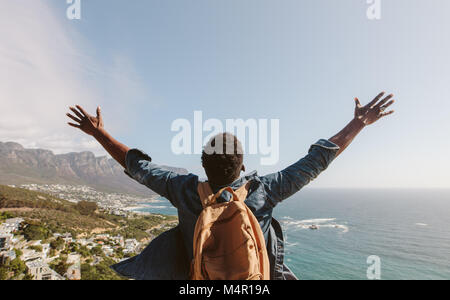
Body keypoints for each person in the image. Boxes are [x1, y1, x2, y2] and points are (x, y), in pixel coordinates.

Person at [66, 92, 395, 280]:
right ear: (243, 165)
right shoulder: (265, 190)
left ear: (203, 165)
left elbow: (139, 167)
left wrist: (100, 134)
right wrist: (358, 122)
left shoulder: (182, 189)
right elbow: (316, 161)